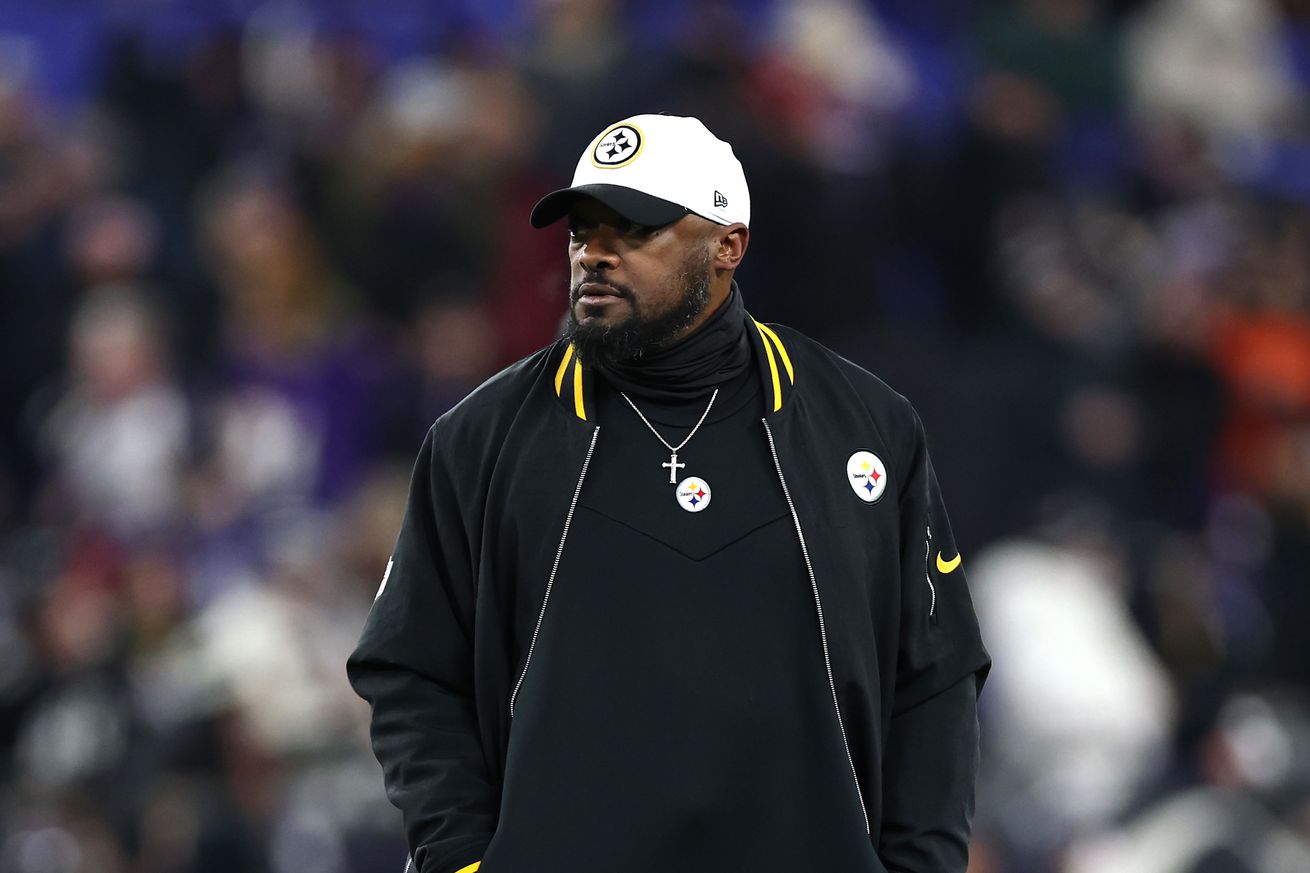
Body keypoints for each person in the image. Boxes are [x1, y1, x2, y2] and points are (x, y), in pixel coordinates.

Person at [347, 114, 991, 873]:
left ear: (728, 244)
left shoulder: (865, 425)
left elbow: (935, 677)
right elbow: (413, 668)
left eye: (634, 230)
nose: (594, 254)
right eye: (582, 230)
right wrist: (459, 855)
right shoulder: (480, 439)